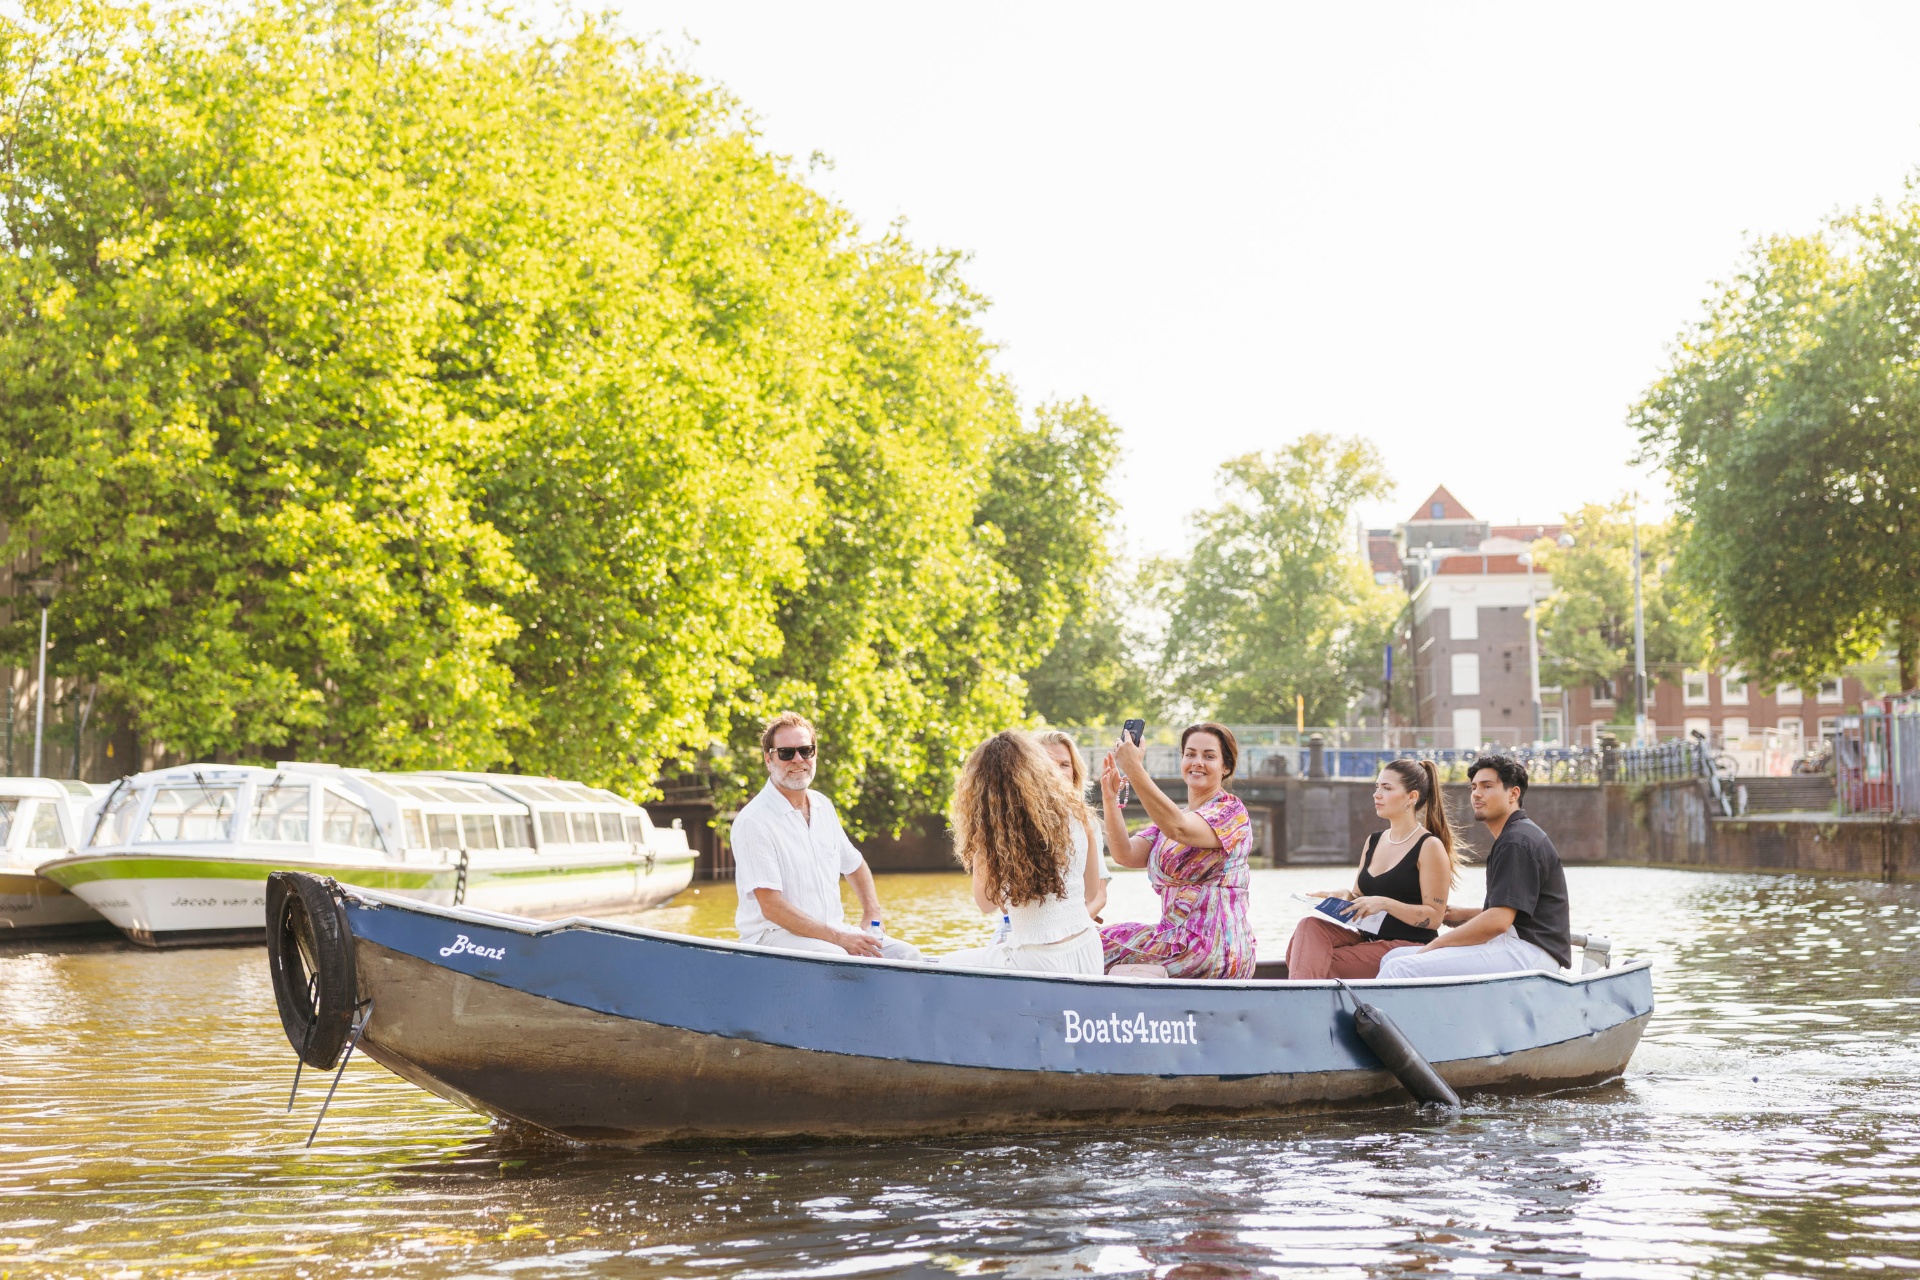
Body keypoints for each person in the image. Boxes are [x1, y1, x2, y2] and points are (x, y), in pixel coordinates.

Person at [730, 712, 923, 961]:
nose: (798, 759)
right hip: (772, 936)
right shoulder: (753, 822)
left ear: (814, 754)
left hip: (829, 933)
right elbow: (771, 907)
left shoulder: (822, 805)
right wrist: (841, 939)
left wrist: (872, 915)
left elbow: (854, 865)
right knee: (839, 959)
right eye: (787, 753)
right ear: (769, 759)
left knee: (908, 955)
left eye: (805, 750)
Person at [1377, 755, 1571, 979]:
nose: (1477, 794)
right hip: (1517, 946)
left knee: (1400, 968)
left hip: (1529, 953)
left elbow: (1498, 921)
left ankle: (1371, 1015)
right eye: (1474, 787)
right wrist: (1462, 914)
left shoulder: (1516, 841)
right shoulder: (1515, 836)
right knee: (1392, 958)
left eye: (1487, 786)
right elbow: (1514, 913)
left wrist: (1438, 943)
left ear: (1513, 794)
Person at [1098, 722, 1256, 979]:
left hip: (1213, 945)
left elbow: (1179, 829)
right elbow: (1125, 854)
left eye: (1209, 756)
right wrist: (1109, 798)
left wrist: (1134, 768)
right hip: (1174, 938)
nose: (1197, 762)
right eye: (1190, 754)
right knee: (1088, 941)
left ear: (1226, 767)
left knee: (1089, 947)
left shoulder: (1230, 812)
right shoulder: (1172, 819)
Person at [943, 731, 1105, 974]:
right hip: (1088, 950)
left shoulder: (996, 836)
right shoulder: (1081, 814)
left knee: (946, 964)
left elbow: (986, 904)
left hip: (1036, 960)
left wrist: (981, 838)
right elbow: (1091, 892)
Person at [1286, 758, 1463, 979]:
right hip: (1368, 939)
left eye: (1387, 788)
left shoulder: (1429, 846)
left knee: (1312, 960)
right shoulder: (1374, 841)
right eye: (1377, 787)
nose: (1376, 794)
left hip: (1405, 946)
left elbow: (1434, 917)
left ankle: (1297, 1004)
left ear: (1412, 797)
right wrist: (1345, 897)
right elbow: (1361, 898)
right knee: (1309, 928)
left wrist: (1385, 903)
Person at [1033, 728, 1110, 922]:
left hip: (1075, 927)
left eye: (1064, 765)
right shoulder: (1014, 819)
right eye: (1047, 765)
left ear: (1074, 773)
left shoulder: (1087, 821)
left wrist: (1071, 927)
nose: (1056, 773)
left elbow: (1098, 896)